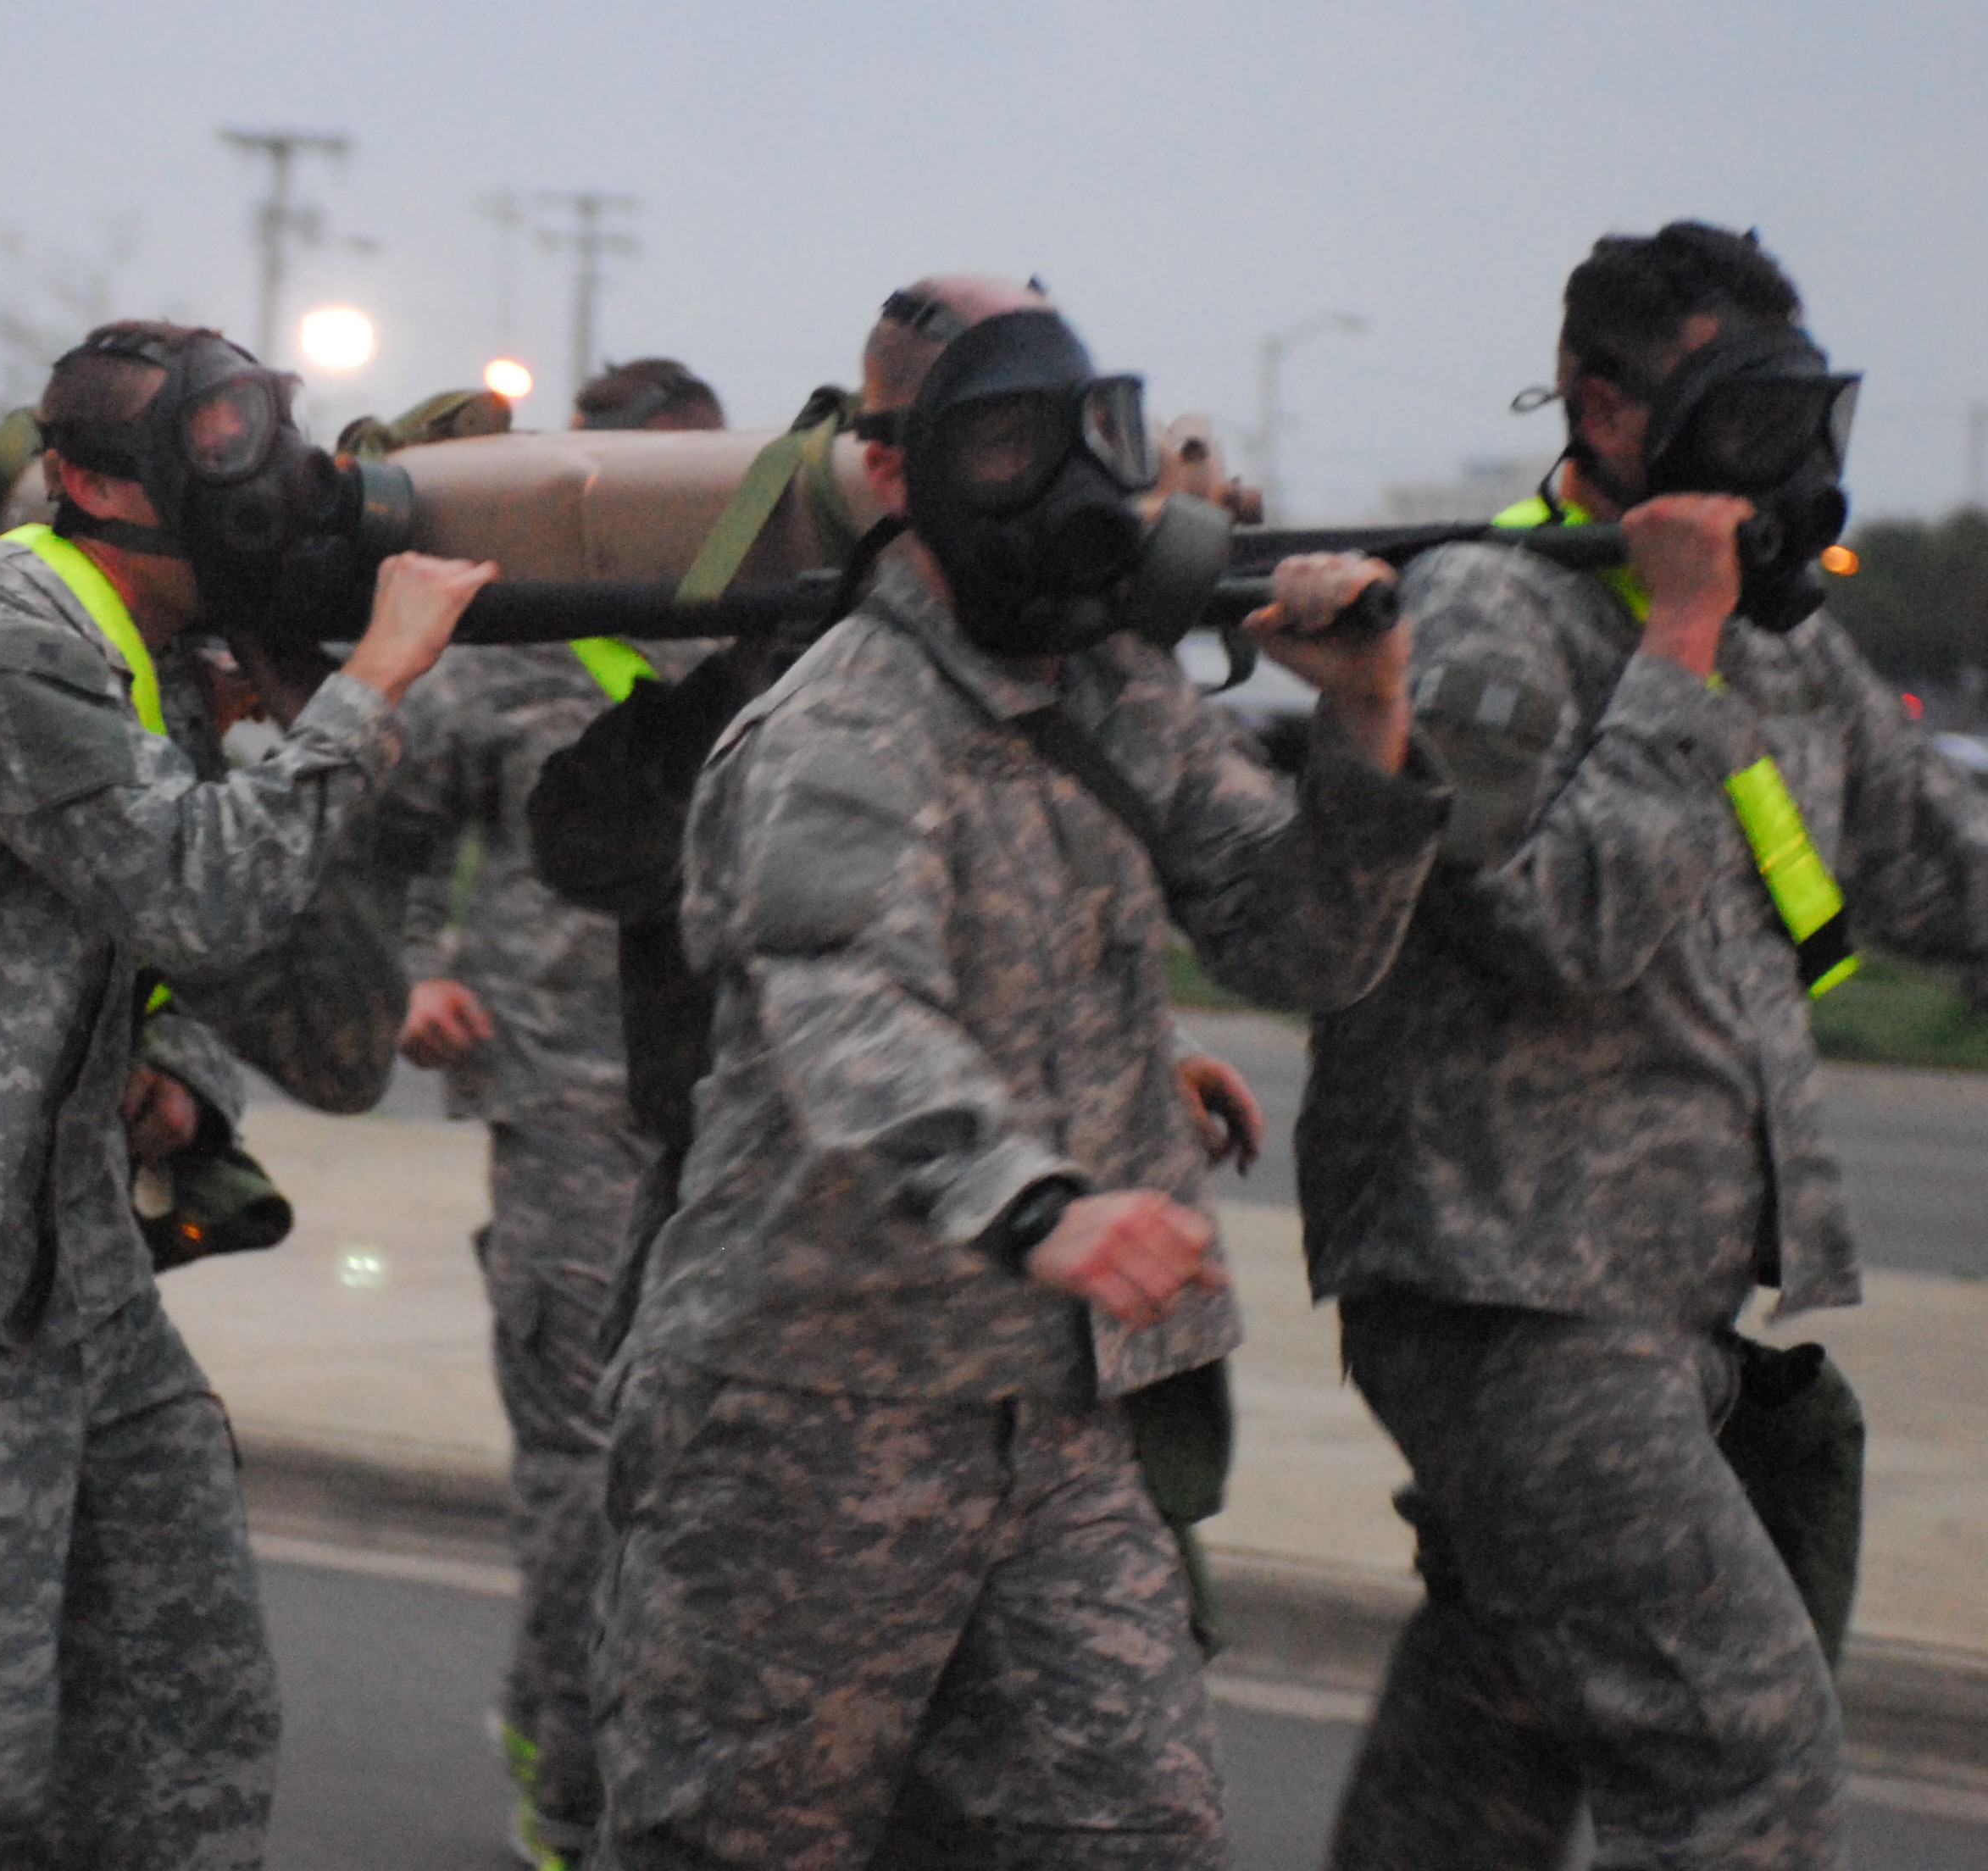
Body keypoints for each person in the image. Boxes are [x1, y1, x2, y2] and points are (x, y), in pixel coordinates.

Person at [591, 276, 1446, 1869]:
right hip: (811, 1413)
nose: (1061, 487)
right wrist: (1039, 1203)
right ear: (895, 474)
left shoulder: (1116, 691)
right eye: (1002, 446)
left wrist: (1369, 720)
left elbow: (1300, 946)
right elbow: (849, 999)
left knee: (1133, 1831)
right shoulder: (840, 723)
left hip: (1059, 1424)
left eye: (1088, 438)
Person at [0, 320, 491, 1868]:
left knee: (187, 1723)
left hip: (69, 1267)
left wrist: (290, 705)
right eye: (206, 457)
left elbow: (329, 1039)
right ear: (75, 477)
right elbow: (188, 892)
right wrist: (371, 690)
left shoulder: (176, 672)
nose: (250, 495)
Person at [1299, 223, 1988, 1871]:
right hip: (1509, 1302)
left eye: (1795, 417)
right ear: (1603, 415)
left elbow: (1933, 868)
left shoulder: (1779, 641)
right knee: (1742, 1759)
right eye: (1731, 415)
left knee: (1490, 1749)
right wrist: (1674, 645)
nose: (1775, 460)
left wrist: (1714, 631)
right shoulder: (1483, 618)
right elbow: (1557, 924)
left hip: (1654, 1308)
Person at [375, 355, 723, 1868]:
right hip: (564, 1104)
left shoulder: (760, 653)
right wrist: (403, 983)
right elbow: (373, 840)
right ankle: (570, 1784)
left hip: (733, 1123)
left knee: (711, 1476)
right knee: (587, 1477)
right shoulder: (506, 655)